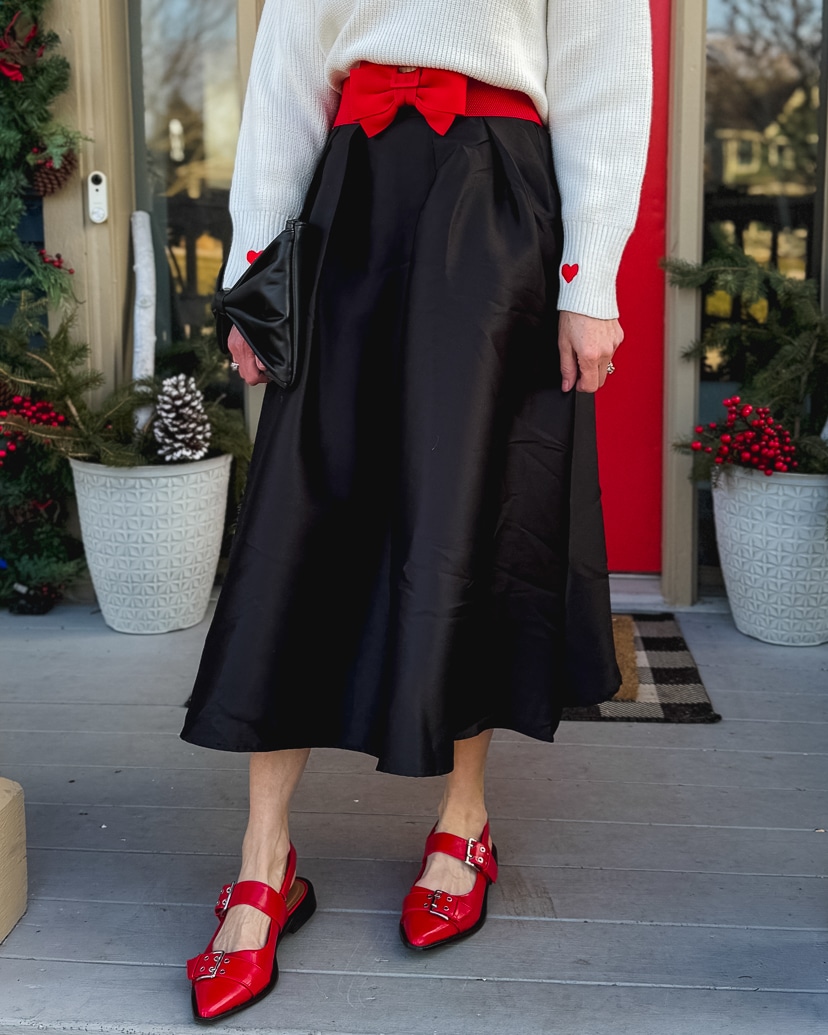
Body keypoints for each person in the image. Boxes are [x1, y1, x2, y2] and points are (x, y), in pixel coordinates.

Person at [181, 0, 652, 1022]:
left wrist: (590, 277)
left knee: (472, 498)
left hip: (495, 198)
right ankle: (265, 857)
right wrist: (256, 265)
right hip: (349, 199)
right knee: (303, 509)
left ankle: (464, 819)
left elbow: (604, 73)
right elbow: (288, 70)